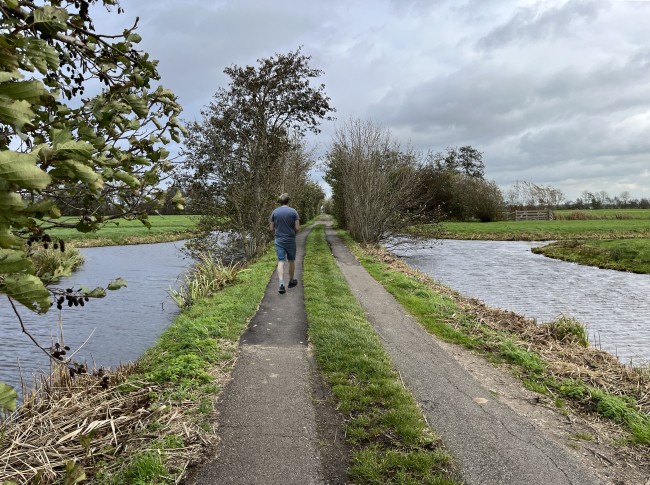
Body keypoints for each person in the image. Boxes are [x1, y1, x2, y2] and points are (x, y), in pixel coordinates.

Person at [269, 193, 300, 294]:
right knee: (291, 261)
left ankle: (281, 284)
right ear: (288, 200)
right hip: (290, 239)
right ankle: (291, 281)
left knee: (281, 261)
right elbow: (297, 228)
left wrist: (278, 234)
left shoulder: (274, 212)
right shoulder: (293, 212)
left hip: (279, 240)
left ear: (280, 201)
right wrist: (293, 234)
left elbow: (271, 228)